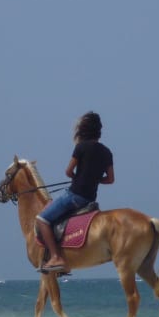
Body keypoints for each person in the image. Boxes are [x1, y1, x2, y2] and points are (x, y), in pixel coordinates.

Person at [36, 111, 114, 273]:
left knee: (42, 219)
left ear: (84, 130)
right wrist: (95, 179)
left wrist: (78, 177)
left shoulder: (81, 147)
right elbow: (110, 179)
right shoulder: (107, 152)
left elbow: (68, 171)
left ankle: (55, 257)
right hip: (90, 199)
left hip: (74, 196)